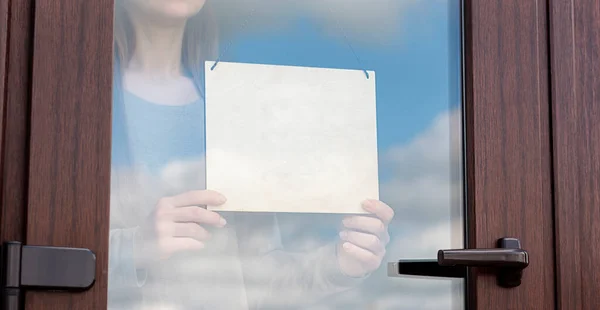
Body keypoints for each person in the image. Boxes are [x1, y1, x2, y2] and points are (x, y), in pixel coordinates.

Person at [108, 0, 395, 309]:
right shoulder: (75, 97)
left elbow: (260, 279)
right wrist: (132, 249)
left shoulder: (233, 105)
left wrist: (340, 264)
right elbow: (53, 256)